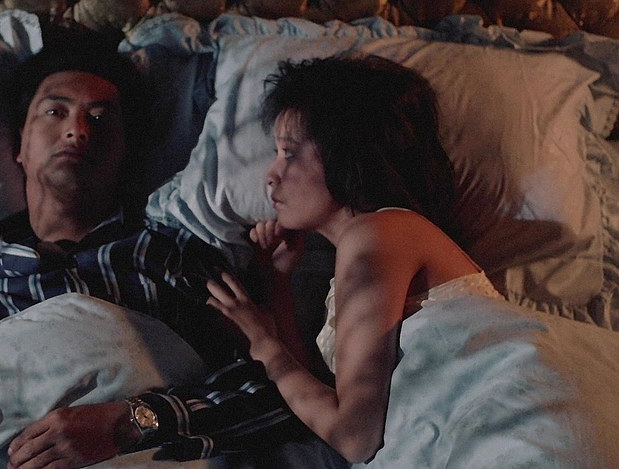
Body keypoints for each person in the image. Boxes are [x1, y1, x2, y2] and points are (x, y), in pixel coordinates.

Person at [0, 25, 331, 469]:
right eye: (55, 111)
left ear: (125, 152)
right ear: (18, 145)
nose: (78, 131)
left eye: (101, 118)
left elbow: (275, 399)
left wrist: (129, 423)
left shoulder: (170, 259)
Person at [206, 54, 504, 464]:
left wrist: (261, 341)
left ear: (344, 153)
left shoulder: (379, 234)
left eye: (289, 153)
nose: (270, 175)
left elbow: (352, 436)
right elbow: (323, 402)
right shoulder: (370, 241)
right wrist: (278, 282)